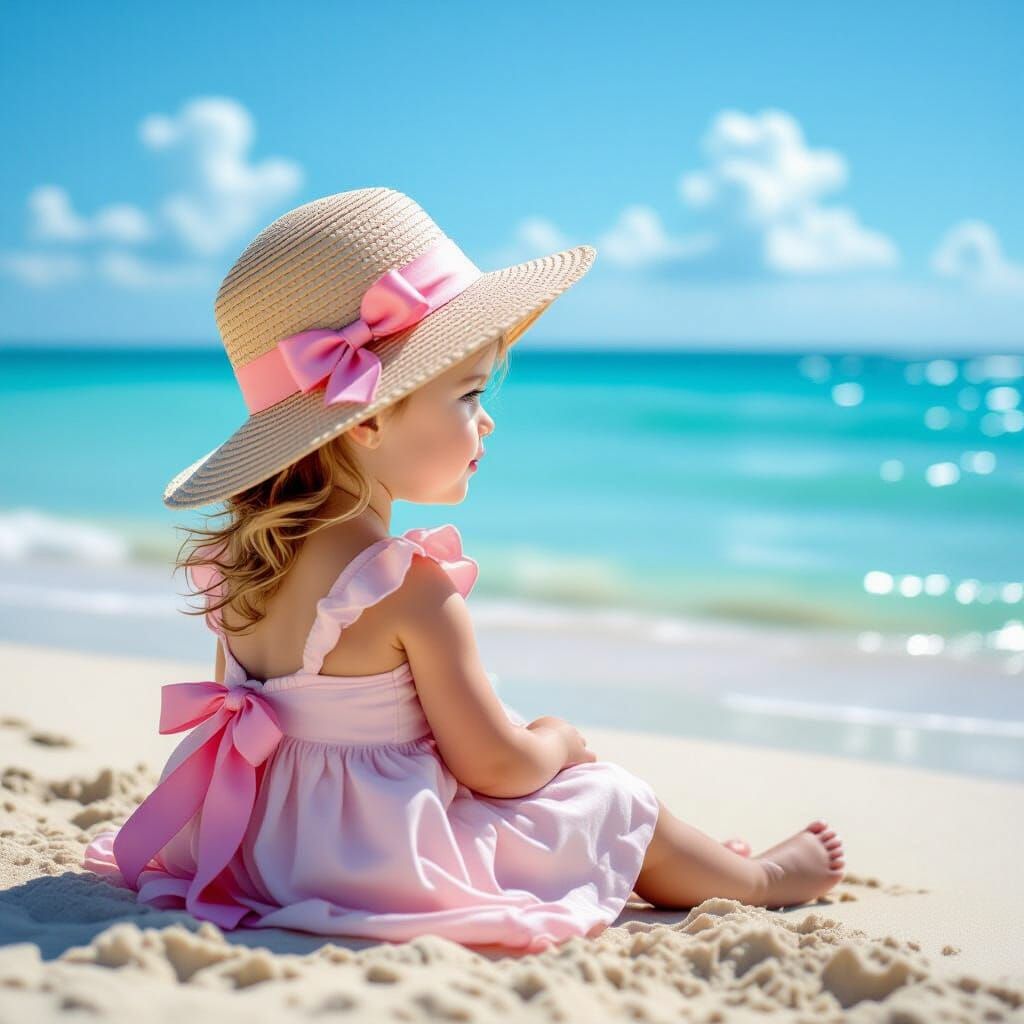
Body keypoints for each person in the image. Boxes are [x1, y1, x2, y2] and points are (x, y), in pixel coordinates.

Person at [82, 188, 844, 953]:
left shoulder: (236, 563)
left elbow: (248, 708)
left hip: (257, 846)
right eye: (470, 393)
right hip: (376, 861)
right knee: (608, 796)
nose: (488, 420)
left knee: (579, 797)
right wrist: (555, 741)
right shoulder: (406, 584)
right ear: (370, 420)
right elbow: (495, 768)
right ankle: (758, 882)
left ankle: (717, 865)